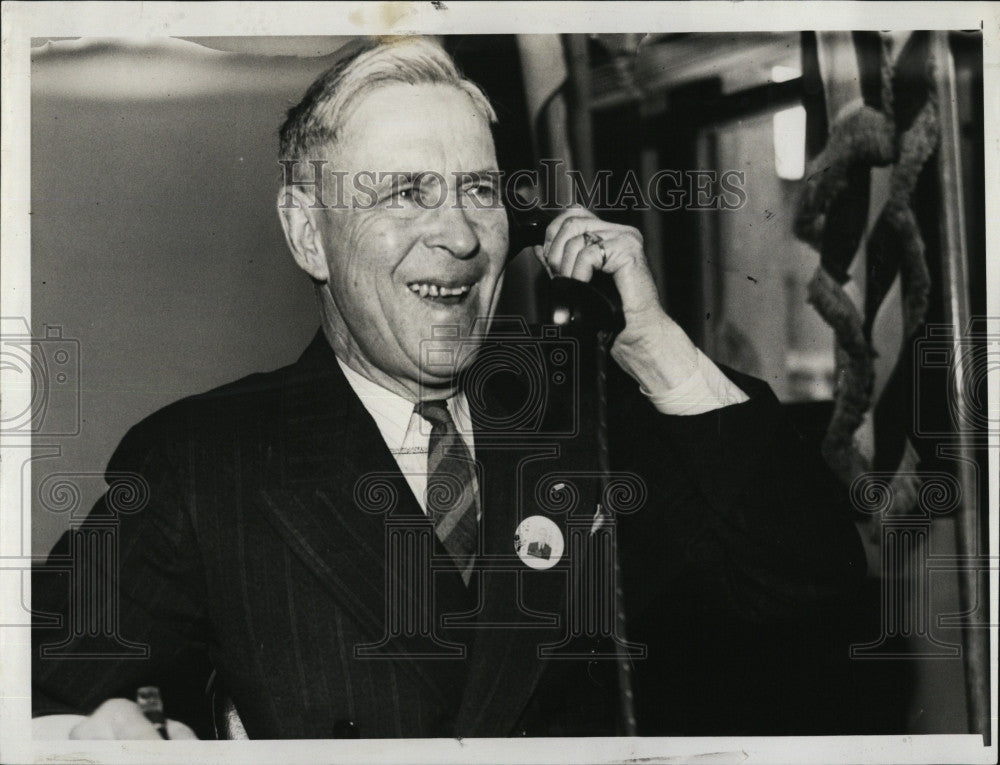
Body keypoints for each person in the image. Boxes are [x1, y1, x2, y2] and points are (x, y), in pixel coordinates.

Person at [32, 37, 866, 739]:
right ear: (306, 234)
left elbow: (813, 593)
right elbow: (45, 675)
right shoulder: (203, 462)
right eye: (406, 192)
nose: (461, 234)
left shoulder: (599, 406)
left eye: (478, 189)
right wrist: (97, 731)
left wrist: (662, 352)